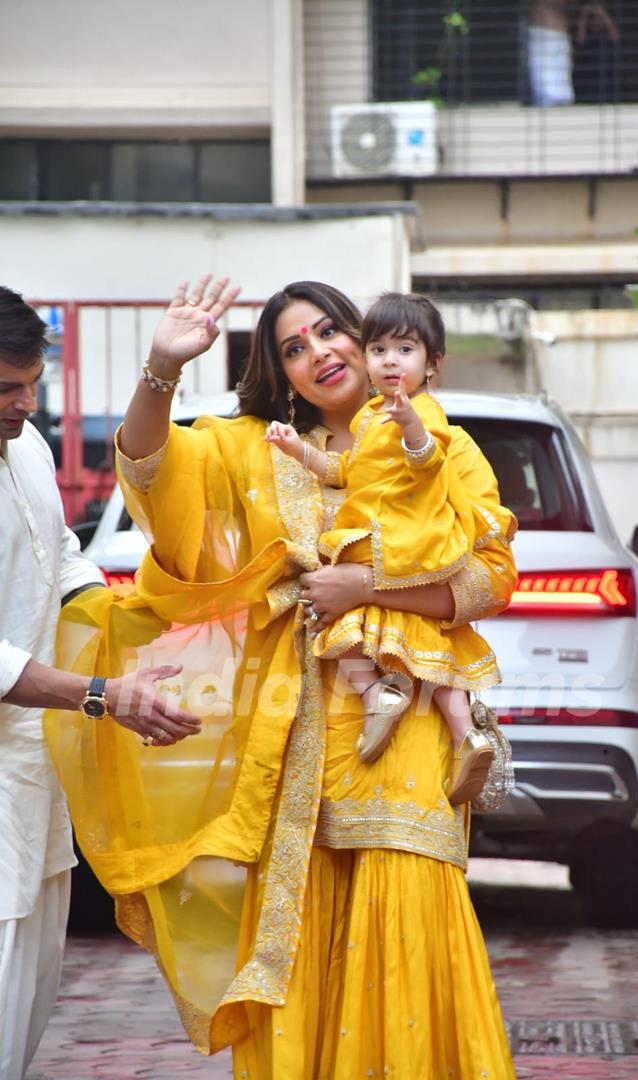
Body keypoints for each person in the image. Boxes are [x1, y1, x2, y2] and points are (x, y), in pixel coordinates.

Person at [46, 275, 519, 1079]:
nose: (318, 355)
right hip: (291, 726)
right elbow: (154, 477)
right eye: (293, 350)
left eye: (330, 333)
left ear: (367, 340)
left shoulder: (438, 443)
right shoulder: (252, 448)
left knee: (404, 888)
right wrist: (162, 366)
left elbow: (490, 576)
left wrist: (365, 588)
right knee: (297, 923)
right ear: (282, 373)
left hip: (399, 723)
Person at [0, 285, 203, 1080]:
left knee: (31, 975)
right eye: (5, 388)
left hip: (34, 762)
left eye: (31, 383)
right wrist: (99, 695)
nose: (25, 403)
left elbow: (60, 561)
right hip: (23, 736)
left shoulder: (30, 450)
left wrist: (134, 620)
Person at [266, 292, 509, 805]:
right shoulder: (368, 422)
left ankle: (425, 717)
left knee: (359, 628)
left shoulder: (425, 416)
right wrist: (296, 449)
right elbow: (344, 471)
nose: (390, 361)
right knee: (383, 638)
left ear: (432, 363)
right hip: (382, 557)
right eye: (381, 350)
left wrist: (412, 427)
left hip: (403, 547)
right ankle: (422, 716)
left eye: (404, 350)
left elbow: (425, 461)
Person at [527, 0, 619, 106]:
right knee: (552, 97)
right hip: (547, 36)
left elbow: (615, 37)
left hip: (560, 39)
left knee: (562, 98)